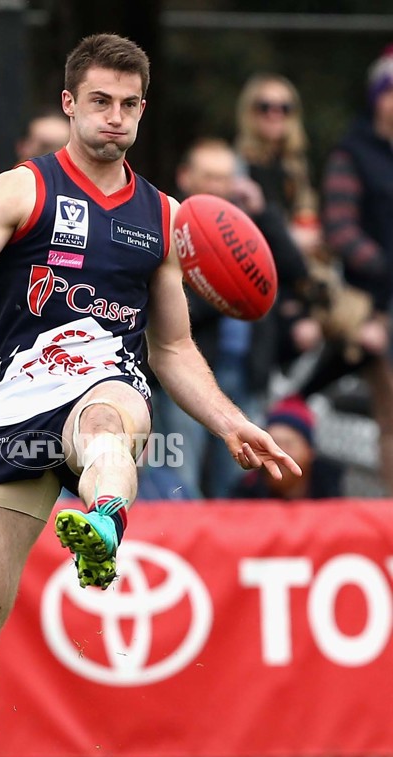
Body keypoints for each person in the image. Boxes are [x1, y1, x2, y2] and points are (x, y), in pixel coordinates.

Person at [0, 33, 301, 757]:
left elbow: (171, 350)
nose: (113, 118)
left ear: (141, 111)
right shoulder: (22, 189)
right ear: (68, 104)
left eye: (128, 105)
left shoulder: (161, 218)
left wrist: (231, 423)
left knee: (110, 423)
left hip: (105, 381)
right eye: (99, 102)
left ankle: (108, 522)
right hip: (15, 402)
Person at [139, 137, 314, 499]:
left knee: (238, 480)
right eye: (210, 176)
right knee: (179, 475)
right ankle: (179, 548)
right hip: (188, 372)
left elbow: (295, 272)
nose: (219, 186)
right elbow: (166, 309)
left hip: (247, 371)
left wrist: (264, 213)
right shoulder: (169, 225)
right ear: (186, 177)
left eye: (226, 177)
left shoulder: (243, 223)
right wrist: (224, 291)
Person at [304, 45, 393, 495]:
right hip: (365, 310)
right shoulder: (352, 153)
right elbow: (339, 230)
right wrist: (384, 267)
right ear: (378, 96)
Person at [235, 73, 321, 259]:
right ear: (250, 113)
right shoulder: (237, 167)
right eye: (265, 107)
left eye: (285, 108)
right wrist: (291, 236)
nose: (275, 114)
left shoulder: (296, 166)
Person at [231, 395, 344, 499]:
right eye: (273, 444)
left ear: (310, 451)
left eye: (288, 444)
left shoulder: (332, 489)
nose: (280, 454)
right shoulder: (247, 491)